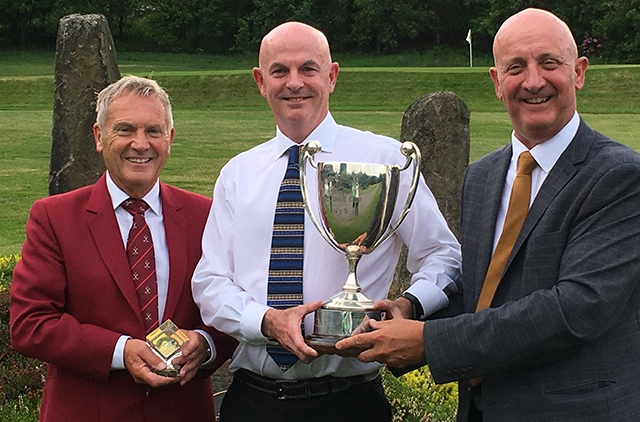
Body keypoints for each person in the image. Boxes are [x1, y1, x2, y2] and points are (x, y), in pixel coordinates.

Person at [336, 8, 640, 422]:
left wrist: (429, 342)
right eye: (516, 67)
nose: (533, 81)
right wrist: (411, 310)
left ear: (579, 72)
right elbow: (485, 289)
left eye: (549, 63)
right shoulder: (481, 176)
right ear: (497, 83)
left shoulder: (618, 176)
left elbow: (575, 310)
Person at [191, 21, 461, 422]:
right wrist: (267, 322)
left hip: (349, 402)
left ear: (331, 76)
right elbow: (210, 283)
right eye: (279, 71)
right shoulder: (238, 173)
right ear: (260, 81)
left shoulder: (384, 160)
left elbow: (443, 254)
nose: (294, 82)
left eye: (308, 69)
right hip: (252, 402)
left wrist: (409, 305)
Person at [10, 75, 237, 422]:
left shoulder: (205, 216)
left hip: (183, 411)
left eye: (153, 131)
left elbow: (232, 307)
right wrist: (121, 351)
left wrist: (206, 345)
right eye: (125, 129)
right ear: (100, 137)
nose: (140, 143)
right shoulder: (54, 218)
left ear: (170, 139)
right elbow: (30, 323)